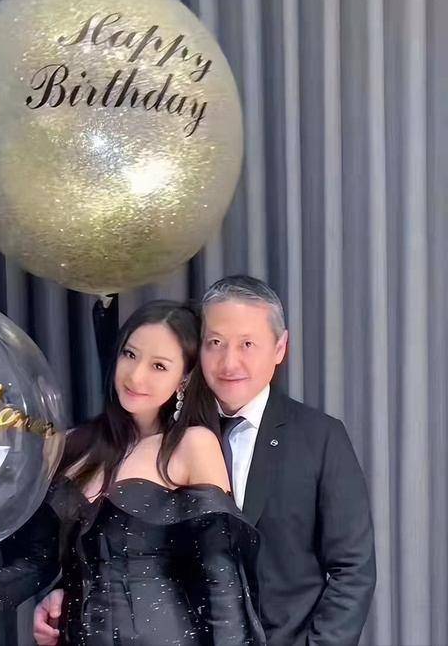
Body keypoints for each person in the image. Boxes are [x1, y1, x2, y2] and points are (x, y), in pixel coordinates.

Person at [35, 277, 376, 646]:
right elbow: (131, 542)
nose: (229, 362)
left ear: (280, 348)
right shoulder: (164, 431)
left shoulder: (319, 437)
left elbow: (352, 570)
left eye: (247, 344)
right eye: (215, 343)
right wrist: (66, 591)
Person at [0, 300, 265, 645]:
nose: (135, 375)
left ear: (185, 378)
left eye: (159, 366)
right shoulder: (73, 446)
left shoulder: (193, 445)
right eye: (130, 355)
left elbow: (222, 584)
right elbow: (39, 561)